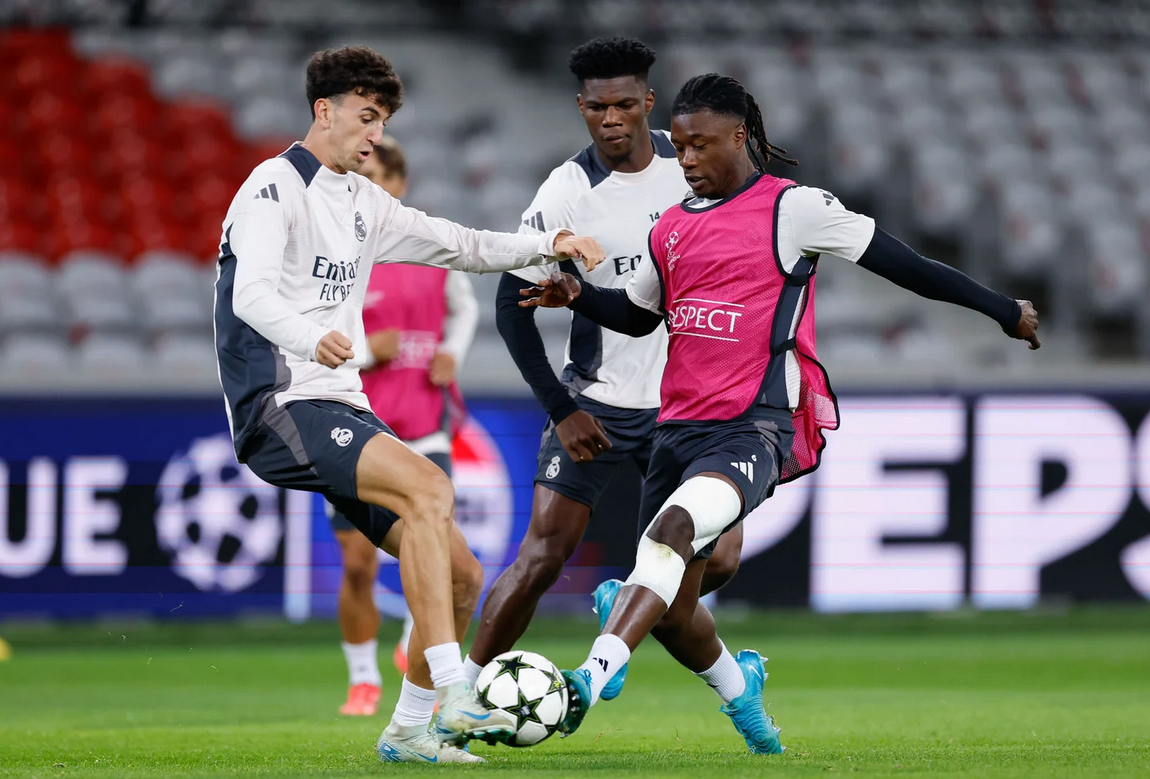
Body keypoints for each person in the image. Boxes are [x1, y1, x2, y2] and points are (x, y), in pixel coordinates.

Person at [521, 73, 1041, 752]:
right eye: (679, 148)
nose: (688, 162)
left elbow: (904, 264)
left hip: (753, 424)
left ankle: (590, 677)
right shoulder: (673, 226)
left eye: (701, 146)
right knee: (675, 610)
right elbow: (637, 315)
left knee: (674, 532)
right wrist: (577, 295)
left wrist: (1004, 311)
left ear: (740, 137)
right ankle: (746, 700)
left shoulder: (795, 209)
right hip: (675, 428)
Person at [213, 45, 604, 763]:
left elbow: (460, 244)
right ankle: (458, 690)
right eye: (366, 118)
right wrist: (313, 336)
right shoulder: (271, 186)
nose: (376, 136)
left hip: (339, 401)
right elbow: (252, 295)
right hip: (280, 401)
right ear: (323, 110)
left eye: (384, 121)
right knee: (431, 485)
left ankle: (410, 730)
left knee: (462, 575)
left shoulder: (364, 201)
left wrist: (547, 242)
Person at [464, 37, 748, 715]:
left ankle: (624, 601)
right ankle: (455, 701)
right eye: (597, 107)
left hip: (694, 408)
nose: (611, 118)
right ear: (581, 108)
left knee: (723, 560)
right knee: (539, 558)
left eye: (624, 103)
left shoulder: (694, 166)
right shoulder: (567, 190)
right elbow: (512, 305)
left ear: (648, 102)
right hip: (598, 401)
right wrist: (561, 407)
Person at [330, 136, 479, 717]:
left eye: (383, 177)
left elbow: (465, 304)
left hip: (425, 428)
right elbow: (309, 331)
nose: (374, 187)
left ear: (399, 184)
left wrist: (454, 352)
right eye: (365, 176)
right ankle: (362, 676)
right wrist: (367, 350)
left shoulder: (423, 243)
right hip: (359, 428)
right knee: (358, 564)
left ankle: (416, 669)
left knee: (438, 554)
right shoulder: (341, 253)